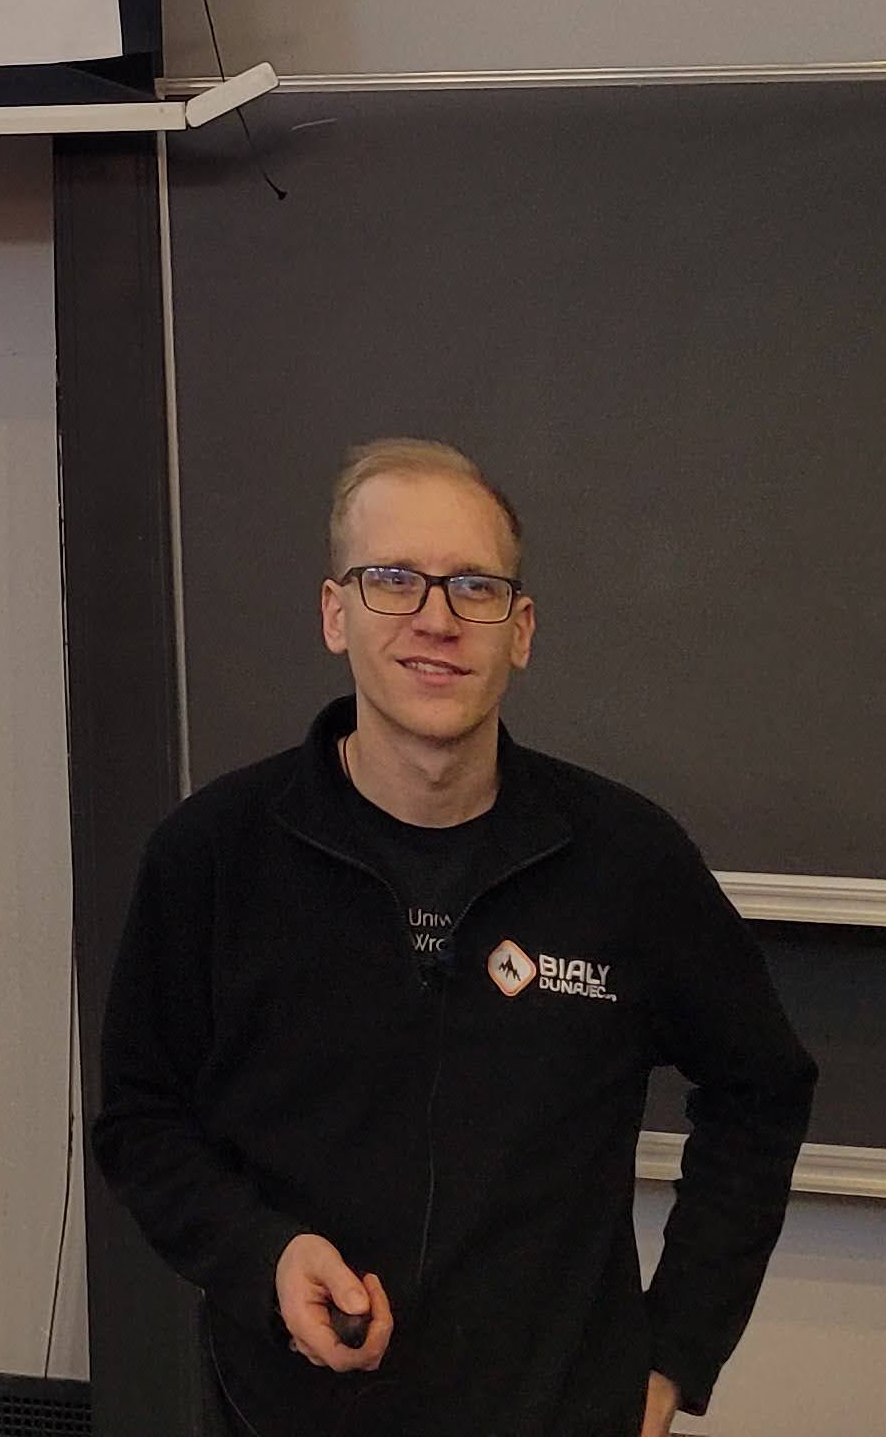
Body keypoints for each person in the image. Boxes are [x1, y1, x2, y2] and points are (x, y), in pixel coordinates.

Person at [94, 439, 815, 1434]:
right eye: (393, 579)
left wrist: (676, 1353)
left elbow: (763, 1089)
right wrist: (263, 1257)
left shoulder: (627, 861)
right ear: (335, 614)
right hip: (286, 1415)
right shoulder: (214, 856)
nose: (436, 618)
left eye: (475, 586)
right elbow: (140, 1118)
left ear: (521, 631)